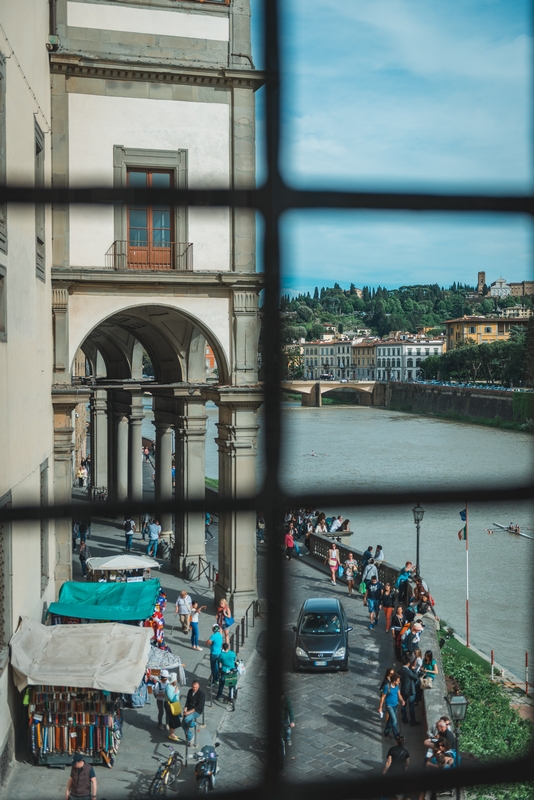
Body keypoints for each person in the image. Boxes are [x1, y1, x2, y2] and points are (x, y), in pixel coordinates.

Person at [378, 673, 405, 739]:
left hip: (395, 705)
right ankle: (397, 735)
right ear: (394, 681)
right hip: (389, 706)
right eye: (398, 680)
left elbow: (399, 694)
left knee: (390, 719)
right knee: (394, 720)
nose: (399, 682)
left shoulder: (397, 686)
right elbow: (383, 697)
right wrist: (380, 707)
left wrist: (402, 700)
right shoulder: (387, 687)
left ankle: (386, 732)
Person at [182, 680, 205, 745]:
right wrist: (185, 708)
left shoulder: (202, 694)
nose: (194, 689)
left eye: (196, 687)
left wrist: (188, 712)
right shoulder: (190, 691)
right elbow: (188, 701)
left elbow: (198, 707)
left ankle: (194, 724)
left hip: (197, 711)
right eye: (193, 687)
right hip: (189, 709)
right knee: (183, 725)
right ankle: (190, 737)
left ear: (198, 686)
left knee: (187, 719)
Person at [400, 655, 420, 726]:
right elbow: (416, 677)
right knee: (411, 706)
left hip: (403, 690)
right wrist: (414, 669)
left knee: (403, 705)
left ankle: (404, 719)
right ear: (408, 663)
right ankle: (412, 721)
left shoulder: (400, 670)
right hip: (410, 690)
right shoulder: (408, 671)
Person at [165, 673, 181, 742]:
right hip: (170, 706)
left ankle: (172, 733)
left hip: (174, 705)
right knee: (173, 720)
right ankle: (171, 734)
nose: (177, 680)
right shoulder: (169, 688)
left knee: (174, 720)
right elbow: (171, 698)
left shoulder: (173, 686)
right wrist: (176, 691)